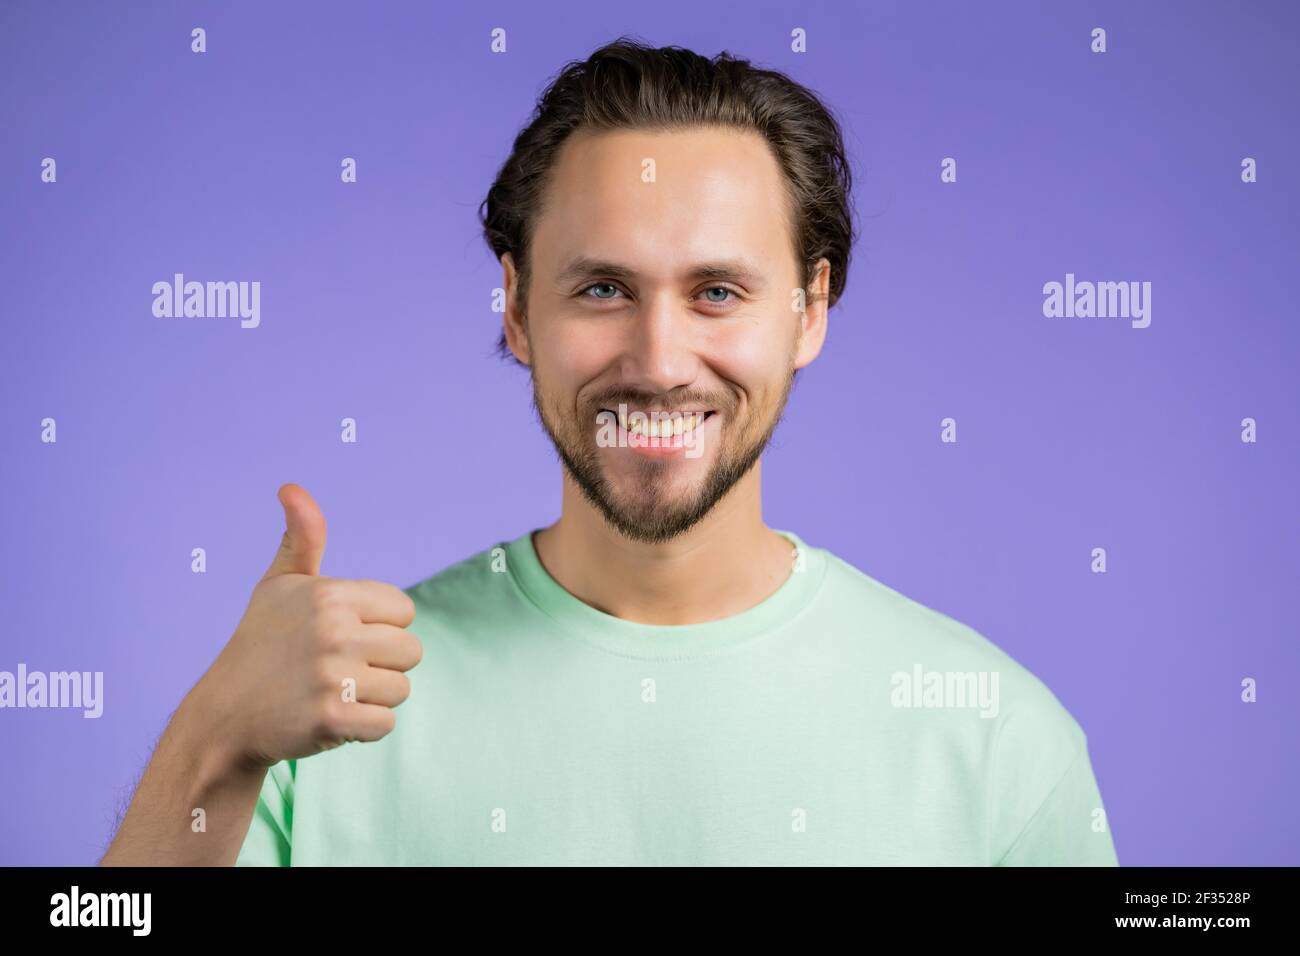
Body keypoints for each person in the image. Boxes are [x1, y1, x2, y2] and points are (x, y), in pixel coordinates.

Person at [100, 37, 1118, 866]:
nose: (659, 359)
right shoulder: (321, 713)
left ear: (809, 311)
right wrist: (212, 739)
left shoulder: (993, 737)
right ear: (515, 308)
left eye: (716, 290)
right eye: (602, 289)